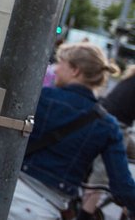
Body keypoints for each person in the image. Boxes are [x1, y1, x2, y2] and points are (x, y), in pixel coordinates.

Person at [9, 42, 135, 220]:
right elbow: (122, 187)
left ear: (76, 71)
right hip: (41, 210)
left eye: (61, 63)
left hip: (1, 192)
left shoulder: (39, 97)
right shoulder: (108, 126)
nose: (56, 69)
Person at [81, 64, 135, 216]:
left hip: (103, 117)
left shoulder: (130, 77)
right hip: (116, 126)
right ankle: (84, 214)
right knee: (100, 180)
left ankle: (127, 204)